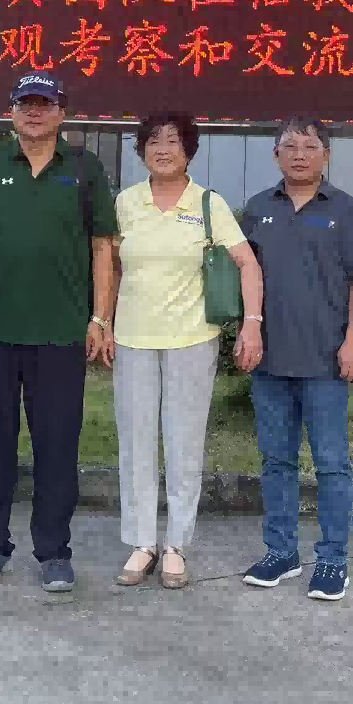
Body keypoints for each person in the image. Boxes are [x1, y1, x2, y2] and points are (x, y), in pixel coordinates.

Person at [0, 71, 117, 593]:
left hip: (60, 332)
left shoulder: (85, 168)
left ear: (61, 112)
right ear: (11, 112)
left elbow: (102, 247)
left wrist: (100, 318)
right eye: (25, 104)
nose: (34, 112)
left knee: (57, 447)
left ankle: (54, 551)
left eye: (44, 104)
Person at [107, 112, 265, 590]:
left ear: (189, 151)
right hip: (132, 338)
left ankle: (175, 544)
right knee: (136, 442)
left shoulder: (209, 204)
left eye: (173, 141)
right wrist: (103, 323)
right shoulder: (126, 203)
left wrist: (251, 324)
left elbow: (247, 264)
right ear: (141, 151)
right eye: (153, 141)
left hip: (192, 339)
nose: (162, 149)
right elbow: (111, 268)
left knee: (183, 443)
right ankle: (142, 542)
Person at [239, 116, 353, 602]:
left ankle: (333, 558)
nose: (300, 154)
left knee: (332, 464)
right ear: (276, 155)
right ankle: (281, 552)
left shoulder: (348, 211)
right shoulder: (257, 209)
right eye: (290, 146)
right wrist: (246, 329)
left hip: (326, 361)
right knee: (276, 461)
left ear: (326, 155)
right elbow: (244, 276)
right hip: (269, 359)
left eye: (310, 146)